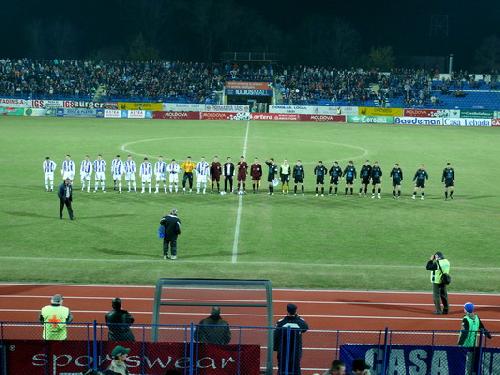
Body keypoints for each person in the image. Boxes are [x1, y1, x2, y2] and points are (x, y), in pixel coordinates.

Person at [274, 303, 309, 375]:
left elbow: (276, 335)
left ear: (287, 310)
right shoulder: (300, 322)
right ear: (295, 311)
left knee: (281, 368)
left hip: (283, 350)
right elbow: (305, 328)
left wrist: (275, 347)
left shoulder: (281, 322)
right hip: (295, 351)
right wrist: (297, 317)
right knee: (296, 369)